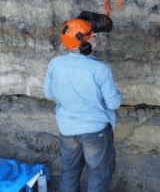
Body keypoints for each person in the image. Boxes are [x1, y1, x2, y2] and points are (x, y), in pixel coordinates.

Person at [44, 11, 122, 192]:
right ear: (85, 42)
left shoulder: (55, 64)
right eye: (92, 35)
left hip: (67, 130)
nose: (95, 37)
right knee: (98, 173)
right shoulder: (100, 70)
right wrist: (118, 95)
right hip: (95, 132)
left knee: (69, 172)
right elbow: (113, 104)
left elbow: (49, 93)